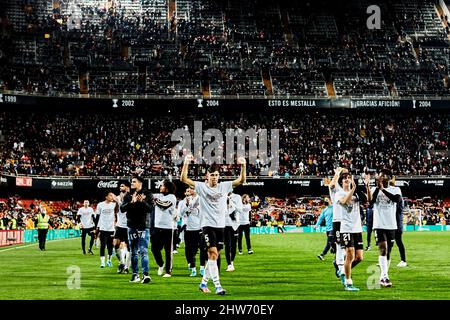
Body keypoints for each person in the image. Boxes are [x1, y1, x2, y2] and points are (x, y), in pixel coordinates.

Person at [181, 154, 247, 295]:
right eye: (212, 175)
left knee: (214, 256)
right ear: (207, 176)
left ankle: (203, 283)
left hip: (220, 226)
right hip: (207, 226)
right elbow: (183, 179)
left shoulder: (224, 186)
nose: (215, 177)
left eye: (216, 175)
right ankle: (218, 286)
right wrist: (186, 162)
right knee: (212, 253)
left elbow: (241, 180)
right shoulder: (201, 187)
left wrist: (243, 166)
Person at [368, 169, 402, 287]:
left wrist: (383, 189)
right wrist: (378, 189)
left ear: (389, 177)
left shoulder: (395, 189)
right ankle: (385, 277)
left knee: (388, 252)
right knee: (383, 249)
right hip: (379, 224)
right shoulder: (374, 189)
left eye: (383, 175)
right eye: (380, 175)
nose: (381, 177)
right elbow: (371, 202)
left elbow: (396, 199)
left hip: (391, 225)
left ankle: (383, 276)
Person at [335, 172, 369, 291]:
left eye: (349, 178)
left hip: (357, 228)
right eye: (344, 178)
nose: (347, 179)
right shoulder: (339, 193)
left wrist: (365, 186)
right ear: (341, 181)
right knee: (350, 254)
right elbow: (344, 202)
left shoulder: (356, 192)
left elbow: (367, 201)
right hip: (346, 228)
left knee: (359, 257)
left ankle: (343, 271)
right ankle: (348, 283)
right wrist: (353, 189)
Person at [121, 176, 153, 284]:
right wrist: (132, 203)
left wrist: (142, 201)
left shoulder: (147, 194)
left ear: (140, 183)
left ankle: (145, 275)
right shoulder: (129, 195)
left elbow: (150, 209)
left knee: (143, 251)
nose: (132, 183)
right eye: (131, 182)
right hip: (131, 226)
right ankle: (135, 275)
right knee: (134, 252)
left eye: (134, 182)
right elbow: (122, 208)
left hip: (144, 226)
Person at [151, 179, 177, 278]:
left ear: (167, 188)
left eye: (162, 186)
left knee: (168, 250)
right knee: (154, 249)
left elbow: (164, 205)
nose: (160, 187)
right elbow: (150, 196)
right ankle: (161, 264)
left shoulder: (172, 197)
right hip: (157, 227)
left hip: (167, 228)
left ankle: (168, 271)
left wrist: (155, 200)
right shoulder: (160, 196)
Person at [179, 187, 206, 277]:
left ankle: (202, 268)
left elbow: (202, 213)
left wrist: (195, 208)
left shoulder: (200, 200)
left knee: (202, 249)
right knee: (190, 250)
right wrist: (187, 205)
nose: (190, 191)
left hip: (199, 228)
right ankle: (193, 269)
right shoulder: (183, 201)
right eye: (189, 189)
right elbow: (181, 214)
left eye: (192, 189)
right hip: (189, 229)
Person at [329, 167, 348, 279]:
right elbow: (331, 185)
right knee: (340, 244)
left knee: (348, 246)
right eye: (344, 175)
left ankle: (338, 263)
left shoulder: (346, 188)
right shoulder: (335, 187)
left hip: (348, 220)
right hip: (338, 219)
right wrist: (336, 173)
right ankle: (340, 267)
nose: (345, 177)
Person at [96, 191, 118, 268]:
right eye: (110, 196)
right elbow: (97, 216)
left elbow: (119, 210)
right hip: (103, 228)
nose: (112, 197)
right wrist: (96, 227)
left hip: (111, 228)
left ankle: (109, 260)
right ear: (106, 197)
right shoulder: (100, 205)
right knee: (103, 245)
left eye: (112, 195)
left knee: (110, 246)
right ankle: (102, 262)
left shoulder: (114, 204)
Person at [114, 182, 131, 274]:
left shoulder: (131, 197)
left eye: (122, 186)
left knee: (129, 247)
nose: (120, 187)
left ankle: (127, 267)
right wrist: (117, 203)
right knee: (116, 244)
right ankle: (122, 262)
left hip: (129, 225)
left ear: (127, 187)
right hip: (120, 225)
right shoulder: (117, 197)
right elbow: (116, 211)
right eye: (120, 186)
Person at [390, 178, 407, 267]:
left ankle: (403, 260)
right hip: (394, 223)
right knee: (392, 242)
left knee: (398, 241)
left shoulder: (399, 200)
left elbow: (398, 211)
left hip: (397, 224)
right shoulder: (399, 200)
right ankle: (385, 258)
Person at [224, 192, 241, 272]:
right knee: (227, 245)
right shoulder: (222, 196)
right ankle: (229, 264)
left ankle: (232, 261)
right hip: (225, 224)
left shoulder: (237, 197)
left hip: (235, 225)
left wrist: (232, 205)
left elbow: (240, 210)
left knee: (234, 245)